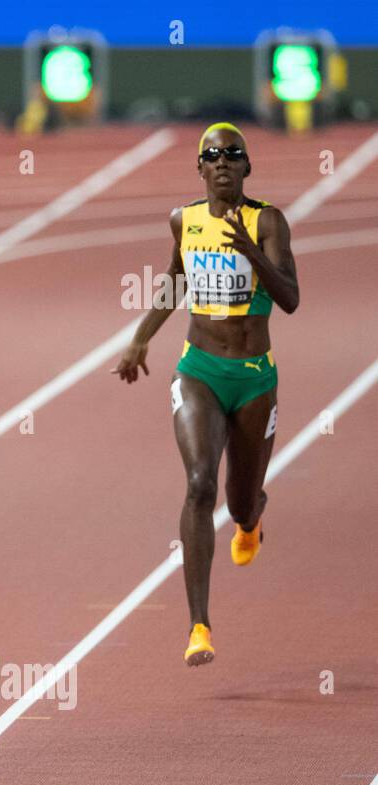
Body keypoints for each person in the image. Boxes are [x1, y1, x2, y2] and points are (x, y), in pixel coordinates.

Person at [113, 123, 299, 667]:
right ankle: (199, 625)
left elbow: (289, 298)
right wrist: (139, 339)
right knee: (199, 483)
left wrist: (252, 251)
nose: (222, 163)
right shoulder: (184, 220)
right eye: (212, 155)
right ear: (199, 168)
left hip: (254, 377)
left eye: (232, 155)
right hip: (199, 370)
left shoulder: (268, 221)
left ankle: (250, 518)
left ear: (247, 167)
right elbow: (176, 281)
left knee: (240, 498)